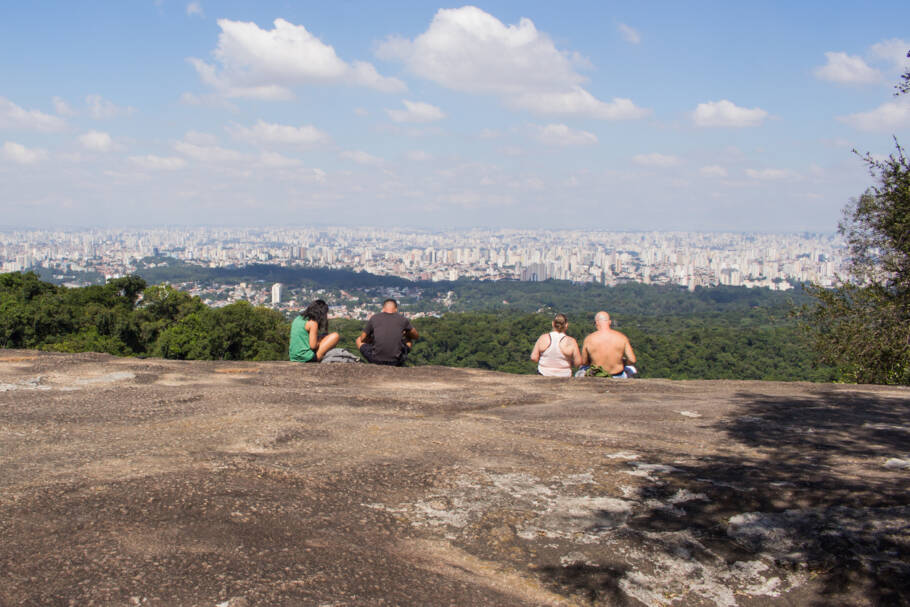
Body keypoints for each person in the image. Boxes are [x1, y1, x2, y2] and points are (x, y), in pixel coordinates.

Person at [356, 298, 419, 366]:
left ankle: (373, 364)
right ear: (396, 309)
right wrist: (406, 334)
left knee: (358, 340)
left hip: (376, 360)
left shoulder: (374, 318)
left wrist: (372, 339)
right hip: (395, 361)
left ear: (383, 308)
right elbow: (416, 336)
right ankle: (400, 362)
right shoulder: (403, 319)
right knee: (409, 341)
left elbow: (362, 338)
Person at [579, 311, 637, 378]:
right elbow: (632, 360)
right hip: (618, 375)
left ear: (596, 323)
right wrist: (623, 362)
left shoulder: (589, 339)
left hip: (597, 375)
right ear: (609, 322)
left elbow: (584, 362)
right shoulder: (622, 337)